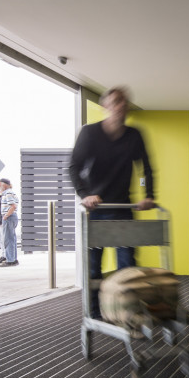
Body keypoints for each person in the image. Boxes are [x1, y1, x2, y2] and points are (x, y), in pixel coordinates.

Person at [69, 86, 155, 319]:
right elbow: (74, 167)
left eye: (125, 102)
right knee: (95, 267)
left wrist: (149, 195)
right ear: (105, 106)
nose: (121, 106)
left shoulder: (134, 135)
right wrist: (84, 194)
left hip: (123, 209)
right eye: (116, 101)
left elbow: (146, 167)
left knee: (128, 265)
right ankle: (94, 313)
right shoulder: (90, 134)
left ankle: (126, 310)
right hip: (97, 210)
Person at [0, 177, 20, 267]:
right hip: (12, 217)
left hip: (9, 217)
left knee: (8, 239)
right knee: (12, 239)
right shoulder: (10, 192)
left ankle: (10, 260)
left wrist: (6, 215)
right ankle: (13, 259)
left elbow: (13, 206)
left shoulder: (8, 193)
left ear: (4, 185)